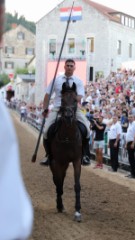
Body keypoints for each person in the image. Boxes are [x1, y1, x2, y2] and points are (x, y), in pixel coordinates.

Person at [0, 0, 34, 237]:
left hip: (74, 107)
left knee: (81, 124)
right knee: (52, 123)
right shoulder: (57, 82)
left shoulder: (79, 82)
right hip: (59, 109)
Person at [40, 59, 91, 166]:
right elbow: (47, 95)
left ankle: (85, 155)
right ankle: (49, 155)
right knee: (46, 132)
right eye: (67, 65)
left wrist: (70, 99)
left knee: (86, 128)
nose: (69, 67)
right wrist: (45, 109)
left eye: (71, 65)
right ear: (64, 67)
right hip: (57, 109)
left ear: (74, 67)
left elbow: (80, 95)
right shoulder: (56, 80)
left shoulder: (78, 81)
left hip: (73, 109)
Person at [125, 113, 135, 178]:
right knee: (130, 158)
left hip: (132, 142)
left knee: (132, 158)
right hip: (129, 142)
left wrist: (133, 143)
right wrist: (126, 143)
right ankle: (131, 173)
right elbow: (128, 135)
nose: (129, 118)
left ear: (133, 118)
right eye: (129, 117)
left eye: (131, 117)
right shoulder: (129, 125)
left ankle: (133, 174)